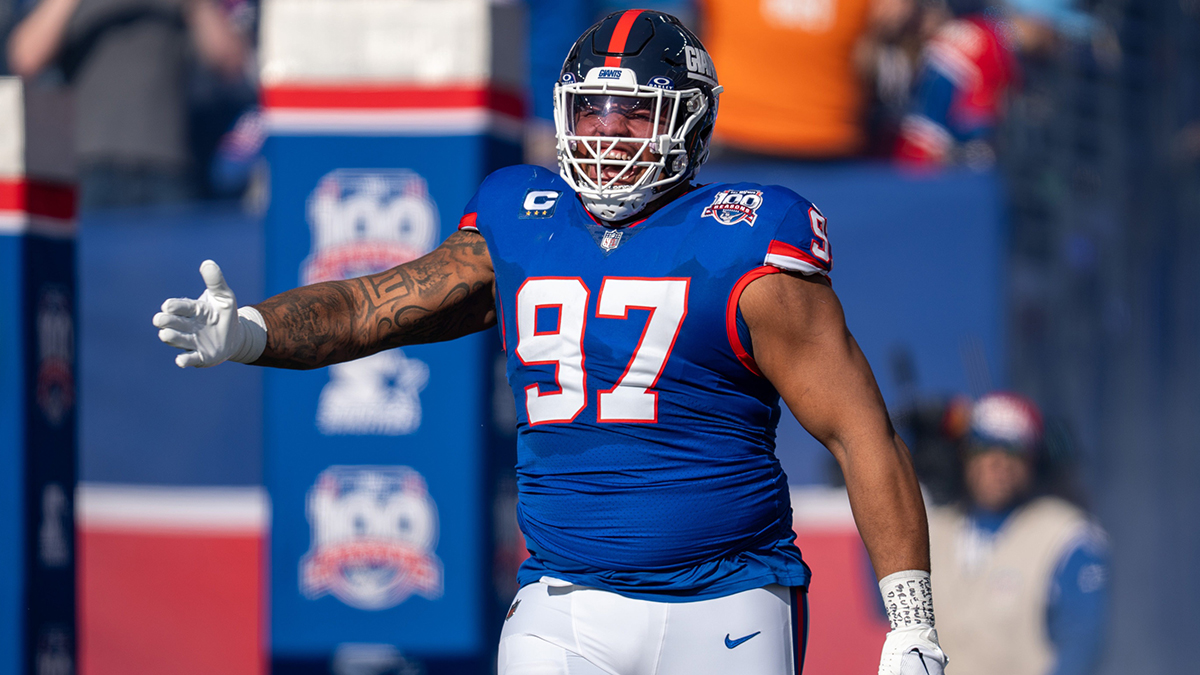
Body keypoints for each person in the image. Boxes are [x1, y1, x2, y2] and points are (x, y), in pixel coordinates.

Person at [153, 11, 947, 675]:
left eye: (636, 112)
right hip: (566, 601)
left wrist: (911, 619)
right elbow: (375, 304)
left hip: (728, 597)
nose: (607, 132)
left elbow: (859, 431)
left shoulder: (747, 235)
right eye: (591, 110)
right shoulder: (522, 215)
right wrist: (254, 329)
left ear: (691, 120)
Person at [928, 392, 1108, 675]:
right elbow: (883, 601)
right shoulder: (934, 527)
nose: (996, 462)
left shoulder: (1065, 535)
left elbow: (1082, 645)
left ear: (1034, 460)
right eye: (983, 446)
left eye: (1012, 449)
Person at [6, 0, 247, 208]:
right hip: (88, 168)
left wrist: (197, 6)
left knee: (170, 260)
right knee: (86, 262)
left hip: (167, 169)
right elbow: (25, 58)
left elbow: (232, 63)